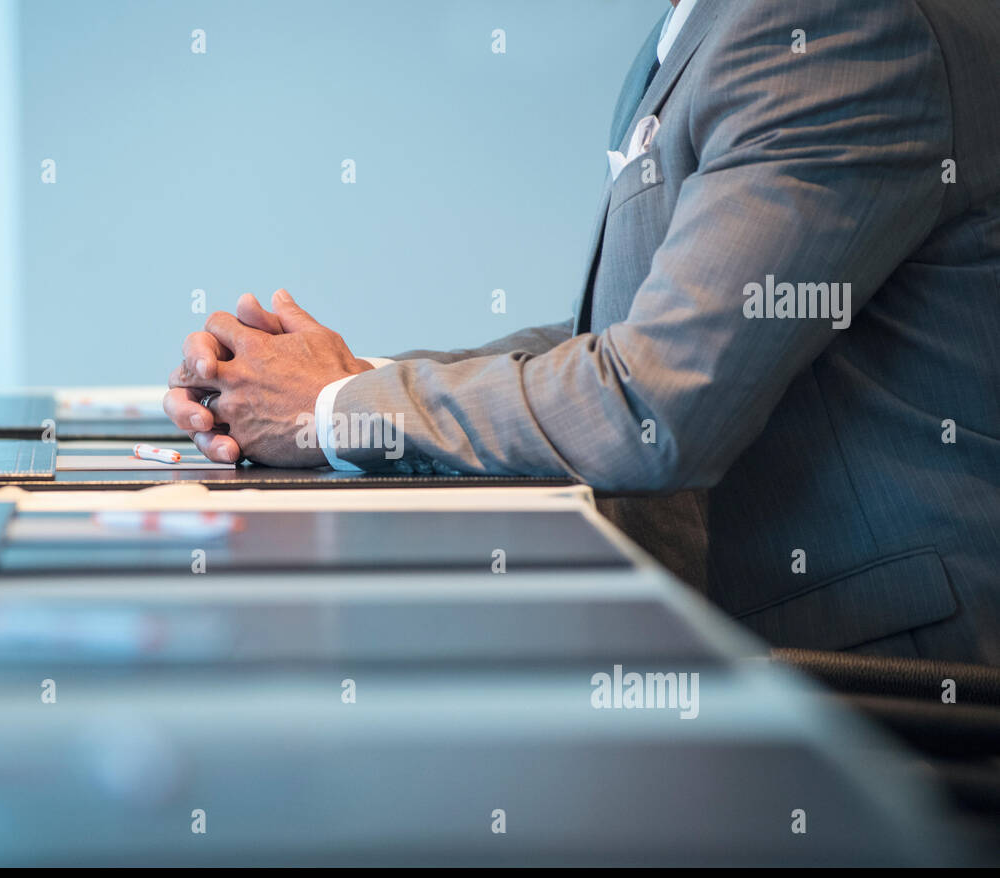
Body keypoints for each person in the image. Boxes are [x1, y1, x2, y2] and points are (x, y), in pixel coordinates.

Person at [162, 0, 1000, 664]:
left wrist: (333, 405)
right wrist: (331, 378)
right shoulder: (696, 31)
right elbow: (627, 333)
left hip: (884, 683)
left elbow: (652, 403)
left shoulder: (829, 23)